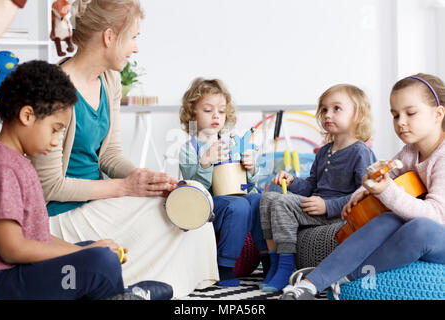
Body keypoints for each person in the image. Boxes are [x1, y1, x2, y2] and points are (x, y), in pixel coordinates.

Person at [30, 0, 218, 298]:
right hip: (60, 215)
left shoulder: (110, 80)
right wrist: (124, 187)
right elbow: (50, 186)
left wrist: (147, 179)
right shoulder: (53, 90)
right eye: (134, 37)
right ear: (109, 37)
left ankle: (151, 287)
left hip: (98, 201)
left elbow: (110, 155)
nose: (136, 48)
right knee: (174, 219)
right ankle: (137, 284)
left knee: (190, 208)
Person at [0, 60, 172, 300]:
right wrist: (87, 252)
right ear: (27, 115)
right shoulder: (4, 166)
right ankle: (124, 295)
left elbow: (38, 237)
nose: (57, 141)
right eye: (55, 129)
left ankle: (120, 295)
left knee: (97, 251)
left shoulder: (19, 162)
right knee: (98, 260)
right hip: (7, 284)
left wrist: (85, 249)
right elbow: (12, 248)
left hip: (23, 275)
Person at [280, 73, 445, 300]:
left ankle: (343, 277)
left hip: (436, 232)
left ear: (438, 114)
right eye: (395, 115)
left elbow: (437, 216)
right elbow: (379, 178)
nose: (401, 122)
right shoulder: (410, 151)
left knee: (420, 228)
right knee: (389, 219)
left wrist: (386, 191)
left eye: (411, 113)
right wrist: (360, 194)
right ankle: (309, 285)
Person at [259, 84, 377, 292]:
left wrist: (328, 206)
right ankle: (273, 264)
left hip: (339, 213)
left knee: (281, 202)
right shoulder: (324, 152)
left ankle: (286, 266)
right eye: (324, 109)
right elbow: (312, 186)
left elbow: (364, 194)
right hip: (316, 208)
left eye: (336, 108)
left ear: (358, 115)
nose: (327, 114)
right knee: (268, 198)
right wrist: (293, 181)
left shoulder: (360, 152)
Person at [179, 77, 267, 286]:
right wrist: (206, 162)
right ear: (192, 113)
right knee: (237, 206)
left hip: (236, 197)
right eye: (208, 110)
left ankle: (268, 259)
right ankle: (225, 266)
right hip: (207, 204)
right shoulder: (189, 148)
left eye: (221, 110)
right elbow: (194, 188)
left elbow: (248, 184)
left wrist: (251, 168)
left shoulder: (233, 142)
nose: (216, 115)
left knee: (259, 201)